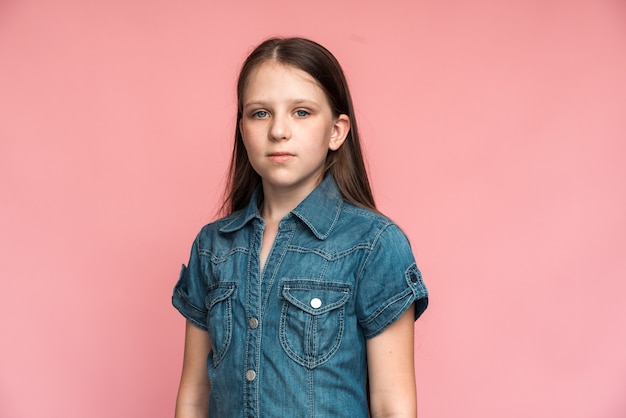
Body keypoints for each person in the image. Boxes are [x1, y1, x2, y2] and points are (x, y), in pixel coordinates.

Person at [172, 37, 428, 418]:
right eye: (260, 113)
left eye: (302, 112)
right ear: (242, 129)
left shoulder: (373, 244)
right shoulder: (213, 246)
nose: (278, 131)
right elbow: (194, 394)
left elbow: (393, 406)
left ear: (336, 132)